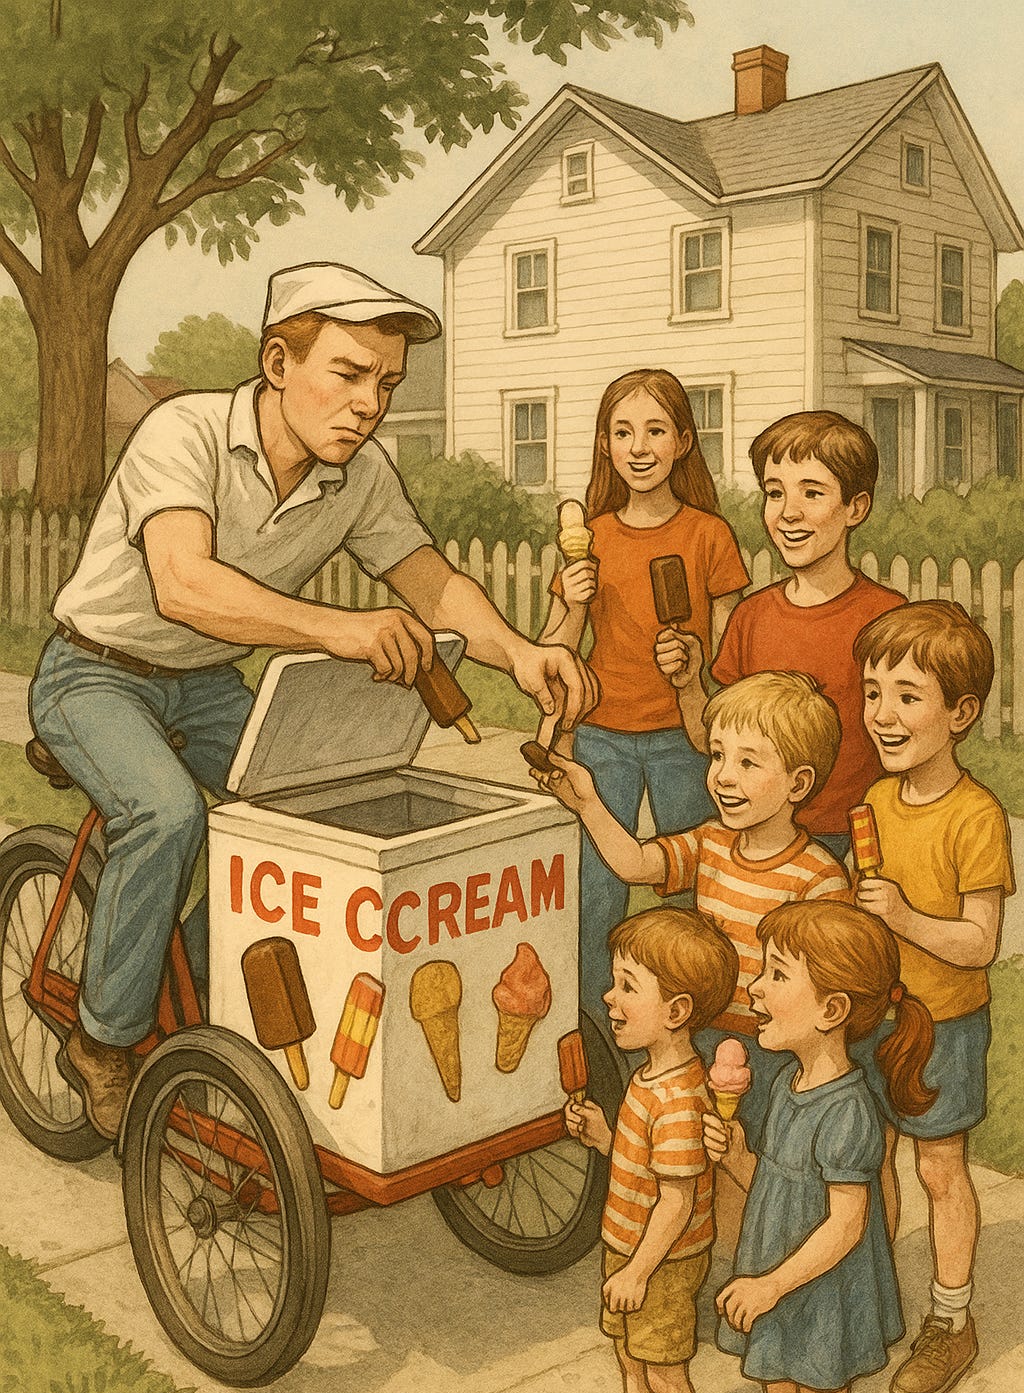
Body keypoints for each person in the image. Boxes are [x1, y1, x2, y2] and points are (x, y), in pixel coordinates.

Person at [29, 261, 597, 1139]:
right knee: (169, 815)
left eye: (387, 384)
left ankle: (195, 985)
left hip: (206, 686)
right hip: (94, 671)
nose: (370, 404)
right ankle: (103, 1039)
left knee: (319, 823)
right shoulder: (183, 431)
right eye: (350, 374)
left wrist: (521, 655)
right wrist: (339, 630)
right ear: (277, 363)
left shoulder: (361, 474)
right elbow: (182, 584)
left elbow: (433, 585)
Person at [536, 670, 849, 1148]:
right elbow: (635, 864)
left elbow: (828, 990)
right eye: (718, 755)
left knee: (753, 1159)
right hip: (698, 1037)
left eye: (748, 762)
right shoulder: (710, 842)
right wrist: (587, 804)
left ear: (798, 783)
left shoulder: (819, 877)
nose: (724, 776)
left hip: (777, 1053)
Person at [705, 900, 935, 1393]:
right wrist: (738, 1158)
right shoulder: (787, 1085)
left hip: (820, 1290)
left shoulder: (848, 1112)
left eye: (777, 974)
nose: (756, 987)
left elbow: (845, 1225)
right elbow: (776, 1188)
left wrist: (770, 1285)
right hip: (778, 1280)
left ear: (832, 1010)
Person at [538, 369, 748, 1024]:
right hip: (603, 736)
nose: (638, 447)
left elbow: (732, 659)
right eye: (623, 432)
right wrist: (574, 604)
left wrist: (695, 668)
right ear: (604, 444)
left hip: (688, 740)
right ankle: (597, 1035)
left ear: (683, 441)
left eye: (655, 431)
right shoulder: (593, 537)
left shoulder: (709, 535)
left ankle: (694, 1032)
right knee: (596, 891)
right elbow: (550, 655)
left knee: (691, 891)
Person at [852, 600, 1014, 1393]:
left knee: (940, 1167)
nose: (882, 714)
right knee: (870, 1159)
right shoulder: (878, 804)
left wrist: (904, 918)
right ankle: (873, 1302)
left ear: (961, 713)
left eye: (907, 696)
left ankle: (951, 1320)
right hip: (878, 1019)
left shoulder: (976, 815)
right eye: (872, 692)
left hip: (944, 1022)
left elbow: (980, 943)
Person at [657, 410, 903, 861]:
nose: (789, 512)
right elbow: (714, 742)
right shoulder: (751, 618)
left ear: (856, 508)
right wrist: (689, 685)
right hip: (764, 838)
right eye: (775, 493)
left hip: (858, 839)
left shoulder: (887, 619)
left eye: (812, 492)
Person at [565, 907, 738, 1393]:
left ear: (676, 1011)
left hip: (661, 1261)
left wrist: (638, 1271)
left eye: (627, 986)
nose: (609, 997)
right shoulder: (647, 1080)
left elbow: (678, 1201)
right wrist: (606, 1138)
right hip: (628, 1246)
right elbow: (647, 1167)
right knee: (630, 1357)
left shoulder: (680, 1098)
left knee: (666, 1375)